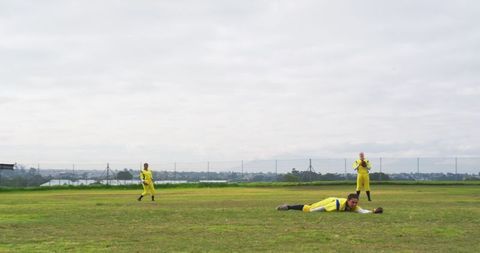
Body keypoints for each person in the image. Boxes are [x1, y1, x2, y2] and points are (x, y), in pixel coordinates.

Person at [276, 193, 382, 214]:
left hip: (332, 200)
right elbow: (322, 208)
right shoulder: (337, 205)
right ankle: (287, 207)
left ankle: (289, 206)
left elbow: (362, 211)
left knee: (310, 205)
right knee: (309, 208)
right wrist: (311, 212)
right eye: (353, 202)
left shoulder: (354, 206)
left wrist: (374, 211)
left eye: (356, 202)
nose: (354, 204)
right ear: (348, 200)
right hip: (329, 201)